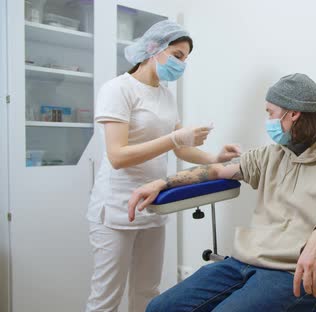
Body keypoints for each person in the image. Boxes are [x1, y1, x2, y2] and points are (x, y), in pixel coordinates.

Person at [128, 73, 316, 312]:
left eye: (270, 113)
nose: (268, 121)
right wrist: (162, 183)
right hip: (242, 262)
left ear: (293, 114)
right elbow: (217, 171)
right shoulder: (272, 155)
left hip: (291, 272)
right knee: (160, 307)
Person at [85, 20, 240, 312]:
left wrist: (214, 158)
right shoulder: (118, 89)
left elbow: (181, 146)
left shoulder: (166, 95)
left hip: (153, 205)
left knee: (148, 292)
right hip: (116, 209)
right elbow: (117, 156)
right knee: (106, 297)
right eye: (177, 55)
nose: (182, 64)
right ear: (153, 49)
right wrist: (173, 138)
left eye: (186, 59)